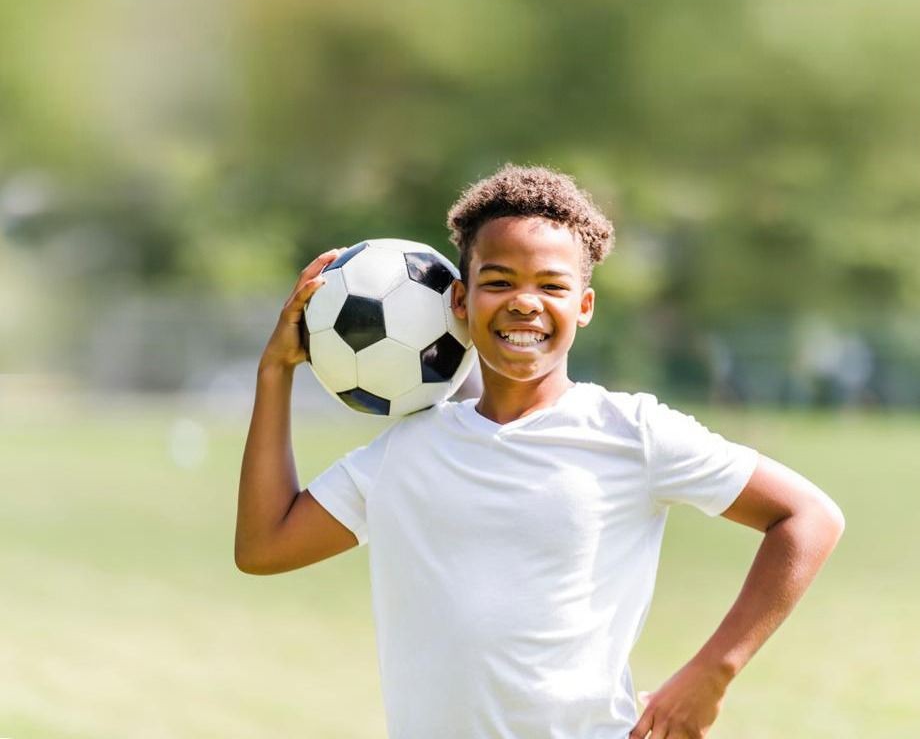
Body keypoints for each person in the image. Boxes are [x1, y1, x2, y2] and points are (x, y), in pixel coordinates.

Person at [235, 164, 845, 739]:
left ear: (583, 306)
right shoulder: (407, 452)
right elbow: (264, 546)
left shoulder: (631, 433)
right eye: (498, 282)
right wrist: (275, 373)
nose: (524, 302)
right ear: (459, 302)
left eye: (551, 286)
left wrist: (713, 672)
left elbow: (809, 518)